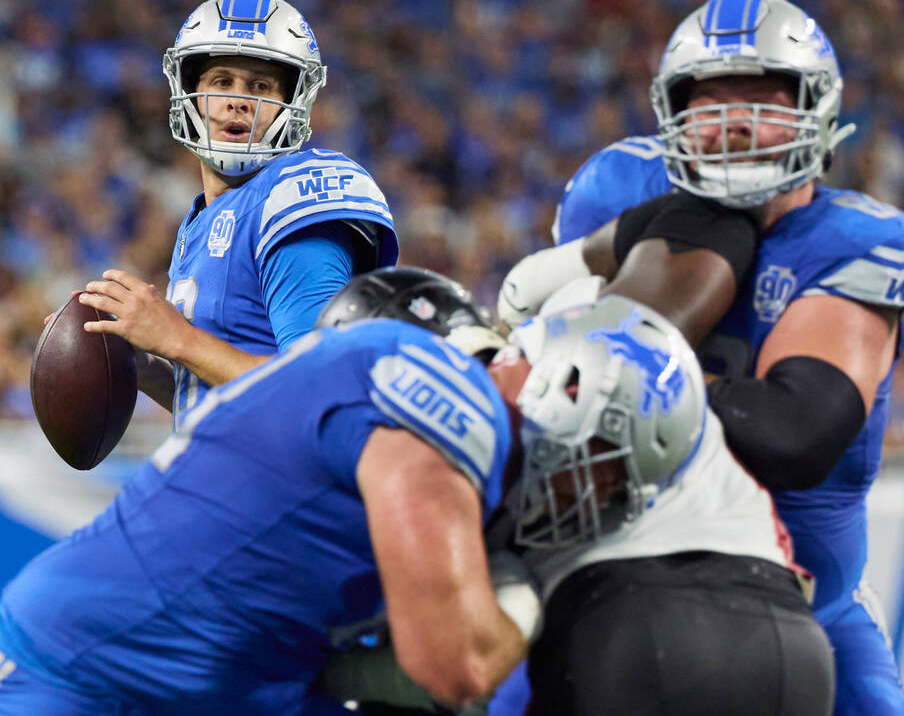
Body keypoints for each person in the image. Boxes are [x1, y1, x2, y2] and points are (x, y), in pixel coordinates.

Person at [505, 0, 904, 713]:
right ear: (671, 115)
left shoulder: (849, 242)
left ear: (816, 111)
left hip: (811, 610)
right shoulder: (618, 192)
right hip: (613, 590)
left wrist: (616, 373)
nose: (734, 124)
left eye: (763, 99)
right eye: (709, 102)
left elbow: (793, 433)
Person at [0, 268, 526, 716]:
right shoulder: (388, 396)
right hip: (68, 677)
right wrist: (532, 593)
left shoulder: (300, 445)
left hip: (198, 684)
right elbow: (457, 665)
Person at [318, 286, 834, 716]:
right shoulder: (586, 331)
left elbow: (461, 672)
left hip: (630, 630)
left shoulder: (437, 457)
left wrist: (328, 675)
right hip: (795, 641)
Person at [76, 0, 398, 429]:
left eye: (260, 86)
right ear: (189, 93)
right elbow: (229, 404)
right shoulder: (204, 217)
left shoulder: (292, 196)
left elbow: (319, 394)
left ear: (293, 103)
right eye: (222, 81)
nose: (239, 99)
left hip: (281, 493)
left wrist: (180, 340)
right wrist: (147, 367)